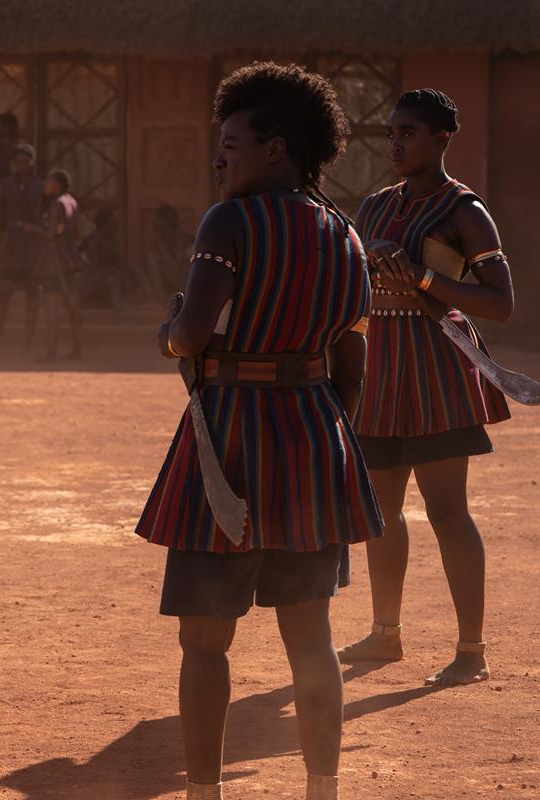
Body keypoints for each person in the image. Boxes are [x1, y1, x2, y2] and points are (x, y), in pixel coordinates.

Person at [135, 63, 383, 800]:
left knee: (205, 639)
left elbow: (190, 335)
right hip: (314, 434)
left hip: (232, 439)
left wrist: (170, 336)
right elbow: (354, 355)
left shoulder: (229, 222)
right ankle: (322, 789)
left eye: (230, 144)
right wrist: (322, 422)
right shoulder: (345, 232)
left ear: (276, 148)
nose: (219, 159)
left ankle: (206, 794)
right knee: (312, 638)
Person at [337, 89, 514, 687]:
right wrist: (371, 262)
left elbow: (500, 303)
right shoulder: (375, 207)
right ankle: (385, 634)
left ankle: (472, 650)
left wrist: (425, 276)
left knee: (447, 510)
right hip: (381, 371)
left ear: (441, 139)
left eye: (408, 132)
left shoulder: (465, 210)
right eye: (391, 133)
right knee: (381, 510)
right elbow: (353, 283)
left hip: (439, 370)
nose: (396, 143)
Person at [0, 143, 44, 356]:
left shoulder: (40, 186)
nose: (23, 166)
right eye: (18, 162)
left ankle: (27, 346)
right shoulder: (5, 186)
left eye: (26, 161)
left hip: (32, 249)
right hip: (10, 247)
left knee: (32, 296)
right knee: (3, 296)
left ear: (33, 162)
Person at [33, 169, 83, 361]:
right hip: (71, 258)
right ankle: (77, 347)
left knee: (51, 305)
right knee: (73, 305)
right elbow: (77, 233)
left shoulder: (57, 204)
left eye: (48, 182)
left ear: (57, 185)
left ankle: (51, 350)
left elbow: (51, 235)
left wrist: (31, 228)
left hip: (55, 261)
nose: (45, 185)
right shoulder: (72, 201)